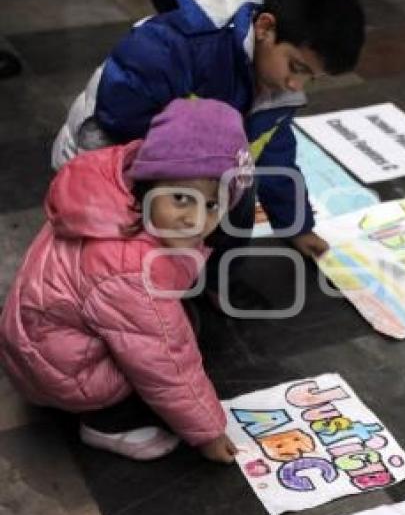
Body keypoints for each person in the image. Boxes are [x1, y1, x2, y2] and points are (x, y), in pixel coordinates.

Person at [51, 0, 366, 304]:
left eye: (311, 77)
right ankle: (144, 295)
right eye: (295, 67)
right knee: (129, 254)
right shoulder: (179, 43)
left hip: (192, 165)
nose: (295, 84)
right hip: (109, 156)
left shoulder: (276, 86)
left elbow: (276, 155)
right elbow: (119, 116)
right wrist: (190, 181)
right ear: (265, 27)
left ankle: (215, 279)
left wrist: (297, 225)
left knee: (240, 185)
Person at [0, 98, 253, 461]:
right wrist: (208, 432)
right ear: (150, 183)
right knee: (163, 346)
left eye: (212, 205)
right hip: (58, 371)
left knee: (179, 325)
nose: (195, 219)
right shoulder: (130, 269)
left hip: (40, 336)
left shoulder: (117, 186)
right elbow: (164, 361)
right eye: (181, 198)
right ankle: (106, 424)